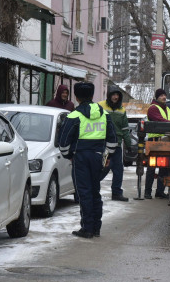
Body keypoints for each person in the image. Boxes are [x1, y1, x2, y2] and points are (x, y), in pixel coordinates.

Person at [59, 82, 118, 238]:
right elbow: (113, 140)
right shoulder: (105, 115)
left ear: (76, 98)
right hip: (98, 156)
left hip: (80, 158)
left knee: (84, 193)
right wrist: (108, 156)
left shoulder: (73, 116)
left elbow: (63, 143)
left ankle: (87, 228)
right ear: (92, 96)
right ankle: (96, 228)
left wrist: (69, 156)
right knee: (95, 192)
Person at [98, 86, 132, 202]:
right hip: (103, 143)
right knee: (103, 168)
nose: (115, 97)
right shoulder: (100, 106)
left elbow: (125, 129)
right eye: (113, 95)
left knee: (118, 169)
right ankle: (93, 187)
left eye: (117, 95)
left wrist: (129, 145)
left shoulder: (121, 110)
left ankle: (116, 193)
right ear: (109, 95)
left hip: (117, 144)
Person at [145, 88, 170, 199]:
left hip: (165, 142)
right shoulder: (153, 108)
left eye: (165, 95)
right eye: (161, 95)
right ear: (157, 97)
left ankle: (160, 191)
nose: (164, 97)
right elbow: (160, 121)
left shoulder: (167, 108)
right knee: (152, 168)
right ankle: (147, 192)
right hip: (154, 141)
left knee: (164, 168)